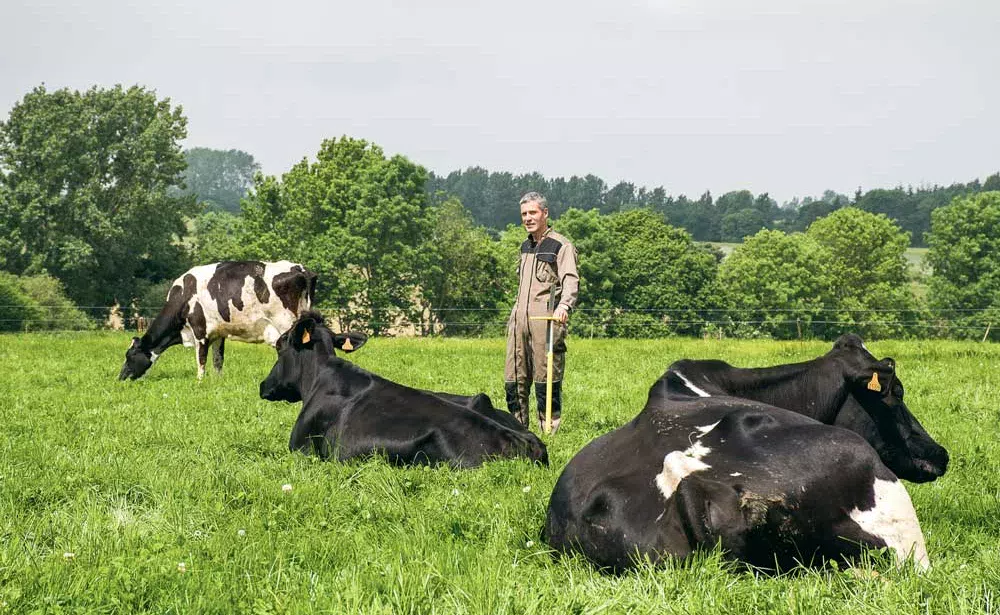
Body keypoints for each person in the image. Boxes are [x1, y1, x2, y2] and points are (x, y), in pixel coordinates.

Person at [504, 191, 579, 433]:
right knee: (514, 378)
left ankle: (549, 432)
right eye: (524, 214)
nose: (528, 218)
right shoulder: (525, 246)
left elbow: (570, 280)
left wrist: (564, 306)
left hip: (545, 322)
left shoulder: (561, 245)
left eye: (533, 212)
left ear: (545, 213)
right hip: (518, 322)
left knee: (546, 379)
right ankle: (518, 431)